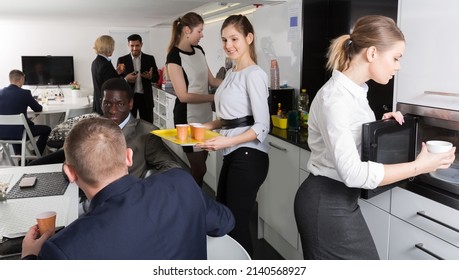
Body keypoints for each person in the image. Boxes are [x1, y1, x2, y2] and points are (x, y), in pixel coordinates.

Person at [293, 15, 456, 260]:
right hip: (325, 203)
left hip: (340, 201)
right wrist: (419, 167)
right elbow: (353, 173)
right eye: (396, 58)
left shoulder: (356, 93)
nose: (398, 66)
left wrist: (381, 127)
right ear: (372, 53)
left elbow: (355, 140)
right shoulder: (335, 99)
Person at [21, 117, 235, 260]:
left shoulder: (63, 250)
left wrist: (30, 257)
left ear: (70, 173)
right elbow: (225, 222)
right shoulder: (181, 182)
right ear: (129, 157)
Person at [196, 15, 270, 256]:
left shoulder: (254, 74)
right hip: (233, 153)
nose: (229, 44)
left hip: (249, 156)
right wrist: (207, 125)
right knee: (225, 220)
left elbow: (261, 126)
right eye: (225, 39)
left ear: (249, 38)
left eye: (234, 38)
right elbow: (232, 117)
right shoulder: (232, 72)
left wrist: (227, 140)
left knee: (235, 226)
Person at [28, 78, 180, 179]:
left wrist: (143, 189)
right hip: (83, 193)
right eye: (107, 103)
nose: (113, 110)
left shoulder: (146, 133)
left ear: (130, 104)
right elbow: (69, 160)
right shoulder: (91, 126)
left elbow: (172, 167)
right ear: (101, 103)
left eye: (120, 104)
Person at [166, 12, 222, 187]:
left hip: (205, 117)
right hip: (186, 119)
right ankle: (192, 202)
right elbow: (183, 96)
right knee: (199, 168)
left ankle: (192, 200)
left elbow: (212, 80)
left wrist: (235, 82)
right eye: (200, 31)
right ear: (187, 30)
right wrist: (214, 96)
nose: (202, 35)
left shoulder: (199, 50)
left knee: (201, 164)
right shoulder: (174, 56)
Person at [0, 70, 51, 156]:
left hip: (2, 133)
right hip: (19, 133)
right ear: (21, 79)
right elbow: (38, 108)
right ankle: (36, 155)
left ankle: (19, 157)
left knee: (15, 126)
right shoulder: (25, 93)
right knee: (47, 129)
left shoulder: (0, 92)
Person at [117, 34, 159, 123]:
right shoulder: (122, 60)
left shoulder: (150, 59)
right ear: (128, 45)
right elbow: (117, 81)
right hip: (129, 98)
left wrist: (150, 76)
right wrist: (126, 79)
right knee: (128, 125)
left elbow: (156, 78)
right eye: (132, 46)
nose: (135, 48)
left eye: (137, 45)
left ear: (141, 44)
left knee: (148, 125)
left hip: (145, 98)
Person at [91, 35, 134, 115]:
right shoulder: (105, 64)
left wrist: (116, 72)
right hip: (106, 105)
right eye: (112, 46)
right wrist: (126, 79)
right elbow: (111, 85)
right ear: (109, 47)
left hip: (98, 103)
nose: (113, 49)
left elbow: (105, 79)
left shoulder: (96, 62)